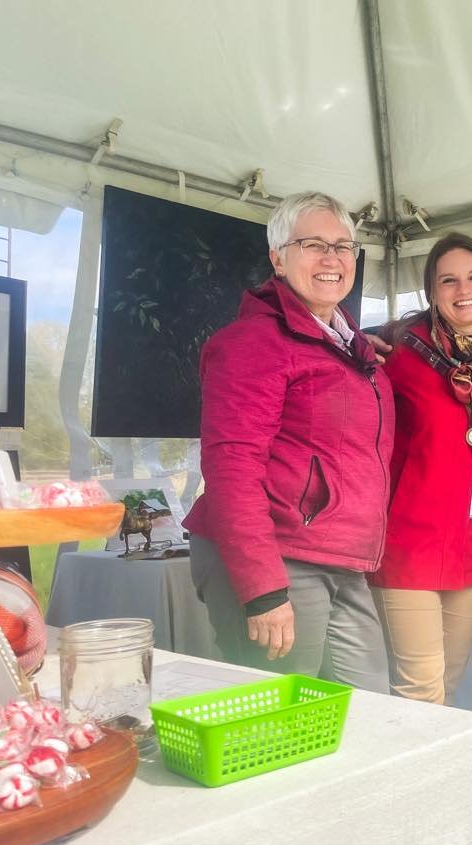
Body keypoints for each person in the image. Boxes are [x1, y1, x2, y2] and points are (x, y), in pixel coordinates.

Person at [184, 191, 392, 692]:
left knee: (370, 713)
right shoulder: (251, 344)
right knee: (273, 721)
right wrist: (261, 590)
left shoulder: (347, 346)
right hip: (278, 556)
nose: (332, 259)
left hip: (340, 560)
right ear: (278, 257)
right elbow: (232, 466)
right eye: (314, 245)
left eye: (344, 247)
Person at [368, 233, 472, 705]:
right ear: (432, 292)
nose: (462, 289)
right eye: (448, 280)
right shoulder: (399, 354)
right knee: (419, 692)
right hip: (410, 543)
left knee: (447, 684)